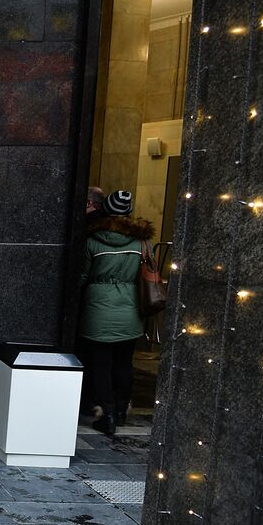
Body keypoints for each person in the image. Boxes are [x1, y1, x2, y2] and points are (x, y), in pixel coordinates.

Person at [78, 189, 154, 436]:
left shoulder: (93, 240)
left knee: (100, 364)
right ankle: (121, 412)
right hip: (130, 309)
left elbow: (81, 276)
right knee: (124, 363)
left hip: (97, 309)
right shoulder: (143, 242)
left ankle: (107, 415)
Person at [78, 186, 108, 418]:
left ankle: (88, 401)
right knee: (118, 361)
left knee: (91, 356)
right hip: (127, 311)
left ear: (89, 204)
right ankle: (114, 409)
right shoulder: (137, 242)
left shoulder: (90, 235)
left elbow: (83, 274)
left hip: (94, 304)